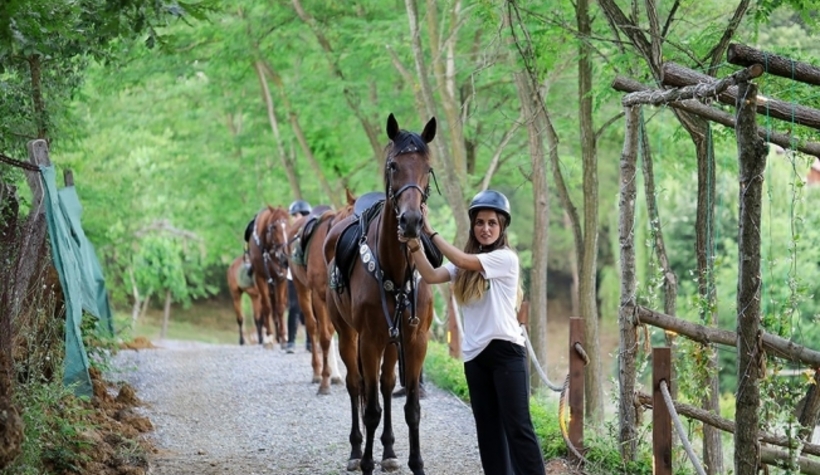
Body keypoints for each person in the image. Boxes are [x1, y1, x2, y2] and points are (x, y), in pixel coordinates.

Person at [399, 190, 546, 475]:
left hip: (507, 354)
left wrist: (430, 231)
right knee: (488, 433)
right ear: (473, 226)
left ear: (502, 227)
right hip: (475, 358)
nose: (486, 228)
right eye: (480, 222)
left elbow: (465, 261)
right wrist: (414, 244)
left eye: (492, 223)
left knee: (518, 428)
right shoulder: (464, 266)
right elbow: (431, 275)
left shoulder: (505, 259)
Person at [286, 199, 312, 354]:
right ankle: (291, 341)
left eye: (298, 215)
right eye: (294, 215)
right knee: (294, 308)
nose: (296, 218)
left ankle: (309, 341)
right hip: (292, 276)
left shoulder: (311, 231)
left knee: (310, 310)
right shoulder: (290, 232)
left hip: (308, 276)